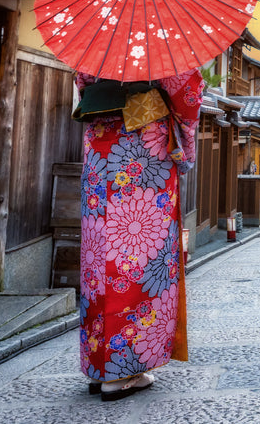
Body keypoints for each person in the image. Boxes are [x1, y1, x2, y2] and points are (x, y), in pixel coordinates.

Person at [73, 69, 204, 401]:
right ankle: (122, 372)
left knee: (99, 254)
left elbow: (83, 83)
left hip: (100, 142)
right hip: (143, 145)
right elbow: (186, 91)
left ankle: (99, 366)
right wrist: (185, 144)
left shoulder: (97, 34)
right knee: (138, 253)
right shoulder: (161, 38)